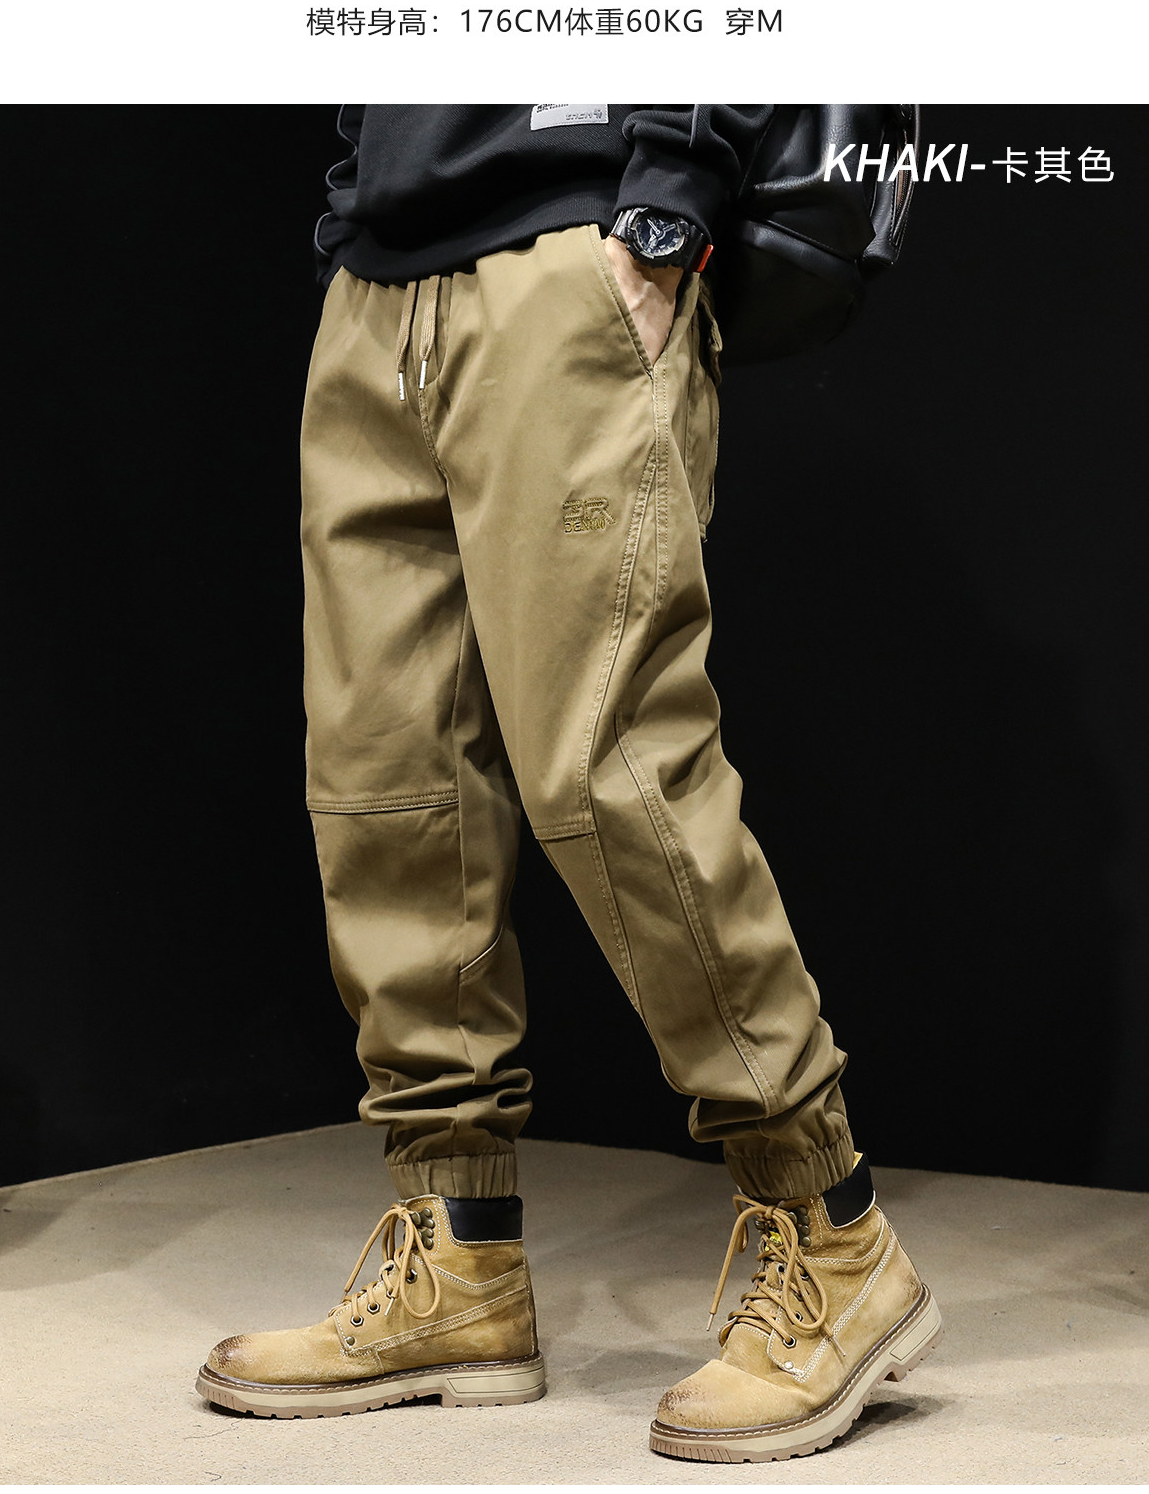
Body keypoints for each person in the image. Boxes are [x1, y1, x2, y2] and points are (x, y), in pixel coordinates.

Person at [195, 105, 941, 1462]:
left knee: (613, 773)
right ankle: (459, 1257)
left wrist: (666, 208)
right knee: (385, 783)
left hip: (575, 250)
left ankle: (833, 1235)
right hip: (381, 286)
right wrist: (363, 191)